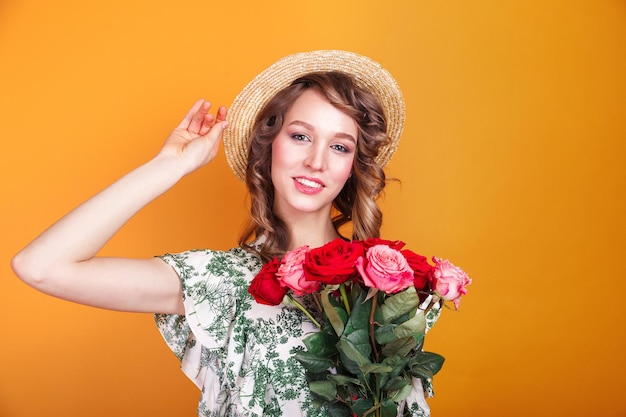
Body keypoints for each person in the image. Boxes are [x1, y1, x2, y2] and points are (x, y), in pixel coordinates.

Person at [11, 50, 438, 417]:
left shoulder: (388, 281)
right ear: (270, 144)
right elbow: (41, 267)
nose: (316, 161)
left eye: (340, 146)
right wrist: (168, 166)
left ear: (352, 167)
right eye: (300, 135)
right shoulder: (219, 281)